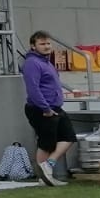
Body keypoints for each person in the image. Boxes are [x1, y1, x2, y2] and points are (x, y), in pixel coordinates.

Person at [21, 30, 76, 185]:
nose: (46, 46)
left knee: (69, 136)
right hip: (41, 109)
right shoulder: (32, 63)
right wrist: (45, 108)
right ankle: (43, 178)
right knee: (46, 143)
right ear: (33, 46)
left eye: (48, 43)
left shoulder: (46, 62)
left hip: (55, 107)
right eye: (42, 44)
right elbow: (33, 89)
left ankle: (48, 165)